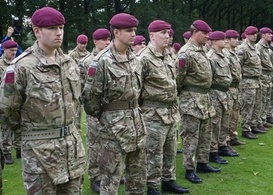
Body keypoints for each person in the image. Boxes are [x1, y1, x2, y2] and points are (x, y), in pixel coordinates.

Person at [0, 7, 85, 194]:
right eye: (53, 28)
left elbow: (77, 104)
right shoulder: (22, 67)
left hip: (72, 150)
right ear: (37, 31)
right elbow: (7, 111)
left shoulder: (69, 64)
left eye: (61, 28)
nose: (59, 33)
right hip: (39, 154)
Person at [82, 13, 146, 195]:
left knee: (137, 178)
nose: (133, 34)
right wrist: (106, 118)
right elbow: (90, 99)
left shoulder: (134, 58)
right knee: (111, 179)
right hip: (113, 128)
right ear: (116, 32)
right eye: (128, 31)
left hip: (136, 124)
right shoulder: (102, 61)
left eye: (134, 30)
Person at [138, 20, 189, 195]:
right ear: (152, 35)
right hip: (152, 114)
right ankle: (152, 185)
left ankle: (169, 180)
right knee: (153, 152)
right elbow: (136, 89)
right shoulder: (143, 58)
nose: (167, 36)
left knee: (170, 150)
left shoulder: (168, 55)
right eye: (163, 33)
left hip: (170, 111)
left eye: (168, 33)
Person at [176, 20, 220, 185]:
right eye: (205, 33)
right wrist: (185, 96)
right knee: (191, 136)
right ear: (195, 32)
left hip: (205, 98)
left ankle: (202, 162)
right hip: (191, 99)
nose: (208, 37)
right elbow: (178, 78)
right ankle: (189, 168)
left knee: (205, 134)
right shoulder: (185, 52)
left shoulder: (202, 50)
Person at [79, 28, 111, 193]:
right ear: (95, 41)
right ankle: (95, 177)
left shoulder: (110, 60)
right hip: (94, 110)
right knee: (95, 145)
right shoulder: (87, 62)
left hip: (110, 110)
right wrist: (92, 111)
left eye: (108, 39)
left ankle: (107, 174)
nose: (107, 42)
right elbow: (84, 90)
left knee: (109, 144)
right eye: (103, 39)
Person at [207, 31, 237, 160]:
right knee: (215, 123)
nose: (226, 41)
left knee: (225, 121)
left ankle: (222, 145)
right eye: (222, 39)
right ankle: (213, 151)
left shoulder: (223, 56)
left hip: (225, 93)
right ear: (214, 41)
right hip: (215, 93)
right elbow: (209, 78)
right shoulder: (211, 57)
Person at [238, 26, 264, 139]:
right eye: (252, 34)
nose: (254, 35)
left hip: (256, 80)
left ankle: (253, 125)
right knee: (247, 106)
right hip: (247, 81)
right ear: (246, 35)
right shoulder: (243, 48)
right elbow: (238, 66)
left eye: (256, 33)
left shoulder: (254, 48)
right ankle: (245, 128)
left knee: (256, 104)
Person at [0, 40, 21, 164]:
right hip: (3, 99)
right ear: (4, 50)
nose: (13, 53)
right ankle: (6, 151)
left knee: (19, 124)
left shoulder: (18, 63)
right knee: (5, 126)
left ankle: (19, 148)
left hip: (17, 98)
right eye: (11, 51)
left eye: (15, 50)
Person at [223, 30, 245, 146]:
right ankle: (226, 140)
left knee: (235, 114)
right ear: (227, 39)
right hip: (229, 87)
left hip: (235, 88)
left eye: (237, 38)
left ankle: (233, 136)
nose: (237, 40)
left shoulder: (233, 53)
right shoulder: (226, 54)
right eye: (234, 38)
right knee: (228, 115)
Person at [255, 27, 273, 127]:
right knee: (261, 100)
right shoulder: (258, 47)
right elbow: (257, 63)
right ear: (263, 35)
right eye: (269, 34)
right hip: (263, 76)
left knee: (267, 100)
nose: (271, 35)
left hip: (268, 77)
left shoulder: (266, 47)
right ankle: (259, 121)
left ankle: (263, 120)